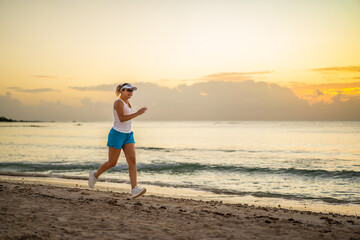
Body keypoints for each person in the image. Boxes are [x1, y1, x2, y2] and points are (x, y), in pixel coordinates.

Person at [88, 83, 148, 198]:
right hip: (116, 134)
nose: (130, 92)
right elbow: (121, 119)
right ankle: (95, 175)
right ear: (122, 91)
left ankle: (134, 189)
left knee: (132, 162)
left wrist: (136, 113)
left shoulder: (128, 103)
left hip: (128, 135)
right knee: (112, 162)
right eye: (128, 90)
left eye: (132, 90)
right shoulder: (118, 102)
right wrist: (137, 113)